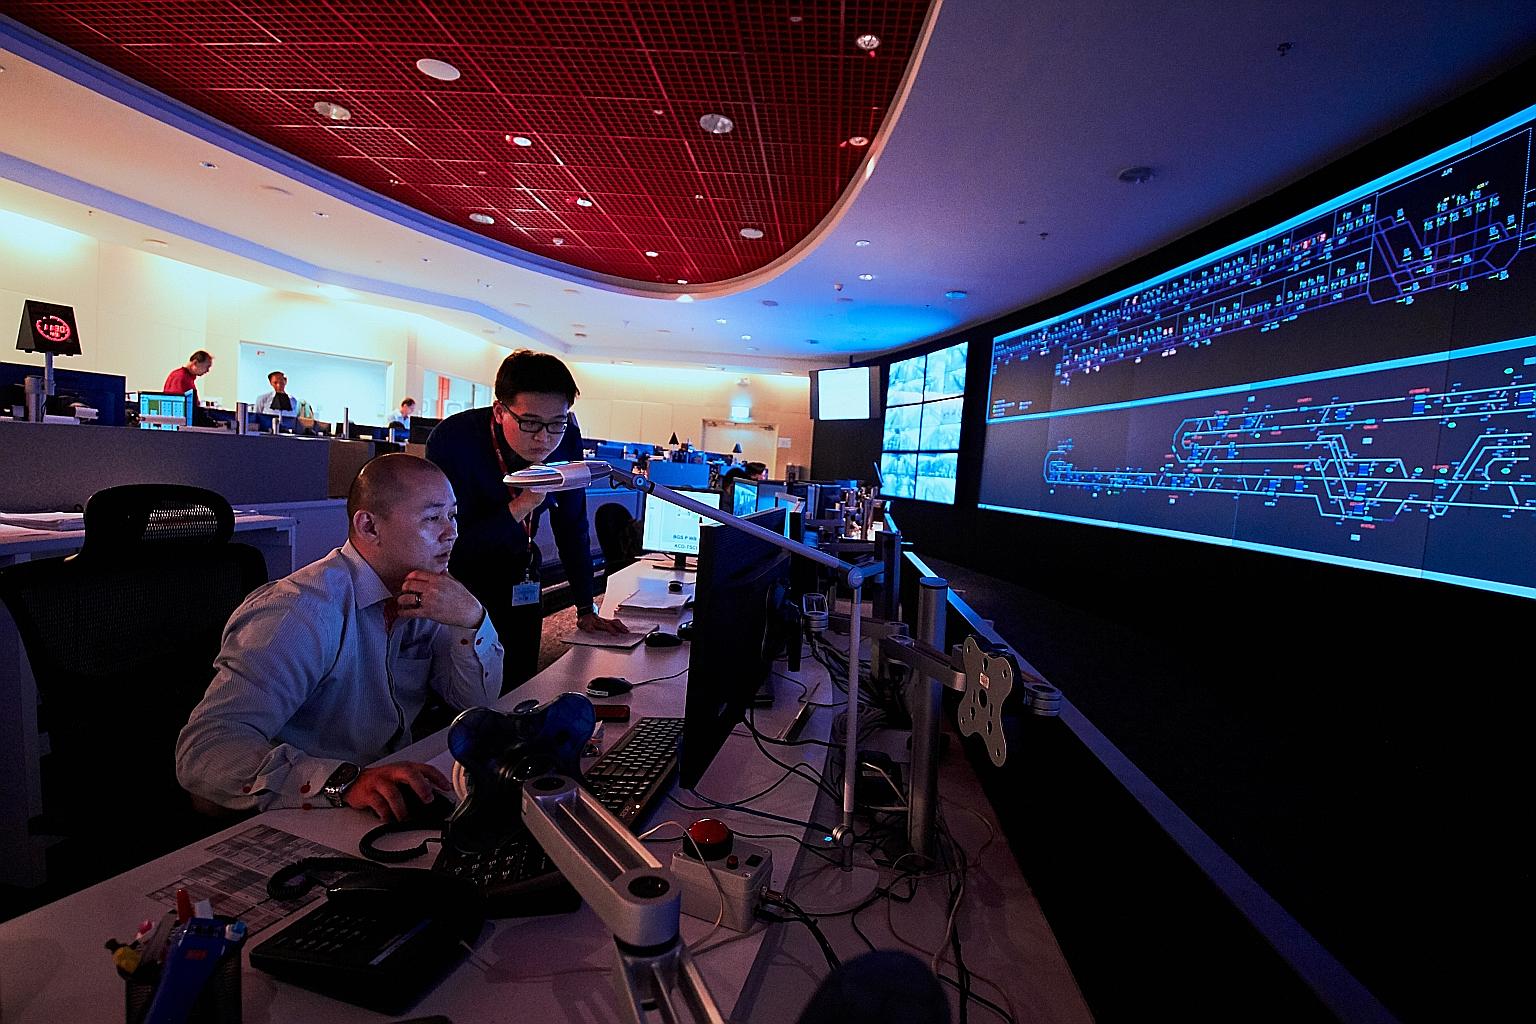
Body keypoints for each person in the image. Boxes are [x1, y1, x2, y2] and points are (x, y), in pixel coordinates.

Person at [175, 454, 503, 820]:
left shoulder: (430, 593)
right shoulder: (299, 612)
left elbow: (474, 701)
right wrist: (344, 781)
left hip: (383, 792)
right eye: (431, 518)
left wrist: (470, 620)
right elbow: (206, 749)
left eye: (452, 515)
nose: (451, 532)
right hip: (301, 809)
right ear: (369, 527)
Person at [427, 350, 627, 690]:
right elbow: (451, 545)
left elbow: (572, 524)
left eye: (556, 423)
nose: (544, 437)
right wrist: (522, 505)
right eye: (530, 422)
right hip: (464, 582)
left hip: (523, 574)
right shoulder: (454, 441)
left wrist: (584, 606)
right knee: (468, 686)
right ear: (500, 411)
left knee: (521, 679)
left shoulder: (566, 441)